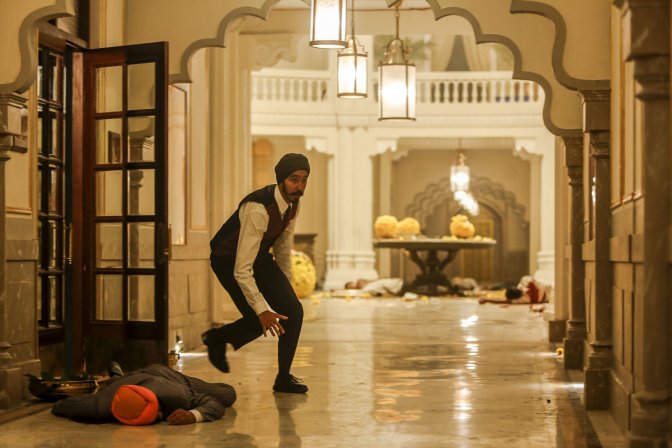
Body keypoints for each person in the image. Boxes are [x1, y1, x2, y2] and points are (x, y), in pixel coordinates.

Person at [204, 153, 310, 394]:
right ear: (281, 179)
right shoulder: (257, 209)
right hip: (227, 260)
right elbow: (242, 269)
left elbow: (282, 249)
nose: (300, 186)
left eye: (304, 179)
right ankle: (217, 338)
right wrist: (263, 310)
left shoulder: (293, 204)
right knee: (256, 319)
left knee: (293, 310)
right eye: (294, 179)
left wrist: (286, 290)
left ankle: (283, 378)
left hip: (259, 256)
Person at [52, 363, 236, 425]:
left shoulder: (177, 394)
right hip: (125, 383)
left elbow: (213, 403)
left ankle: (118, 375)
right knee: (115, 383)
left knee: (228, 395)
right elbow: (66, 405)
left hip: (164, 375)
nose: (162, 417)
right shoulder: (102, 405)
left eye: (158, 413)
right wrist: (59, 404)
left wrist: (194, 415)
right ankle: (117, 375)